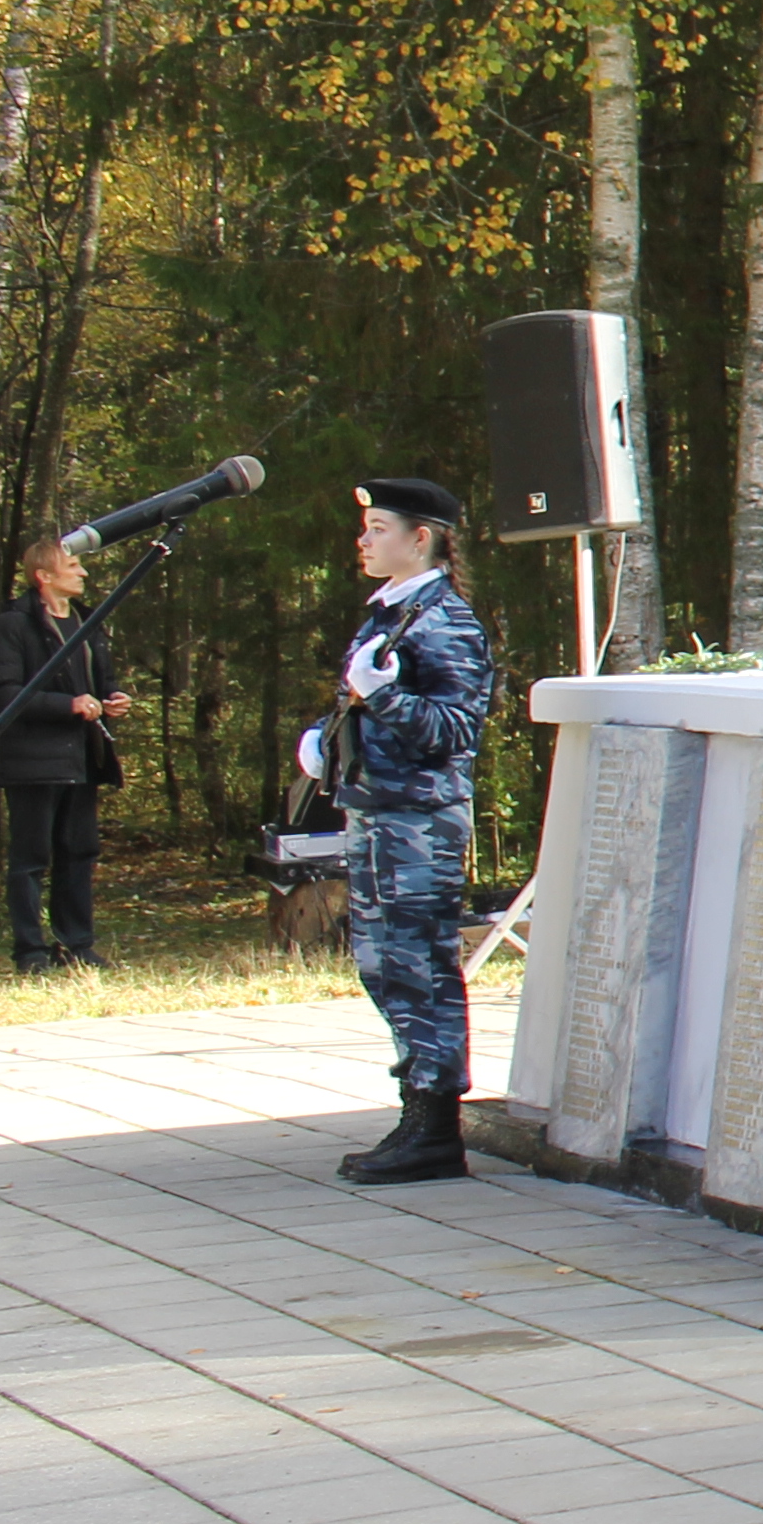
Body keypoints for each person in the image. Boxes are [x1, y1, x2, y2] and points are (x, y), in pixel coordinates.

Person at [316, 475, 494, 1185]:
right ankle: (416, 1107)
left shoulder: (444, 620)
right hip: (380, 810)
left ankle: (434, 1122)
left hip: (418, 819)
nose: (364, 539)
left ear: (422, 539)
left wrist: (383, 696)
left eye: (380, 528)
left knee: (419, 966)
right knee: (383, 963)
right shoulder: (391, 612)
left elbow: (455, 729)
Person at [0, 532, 127, 971]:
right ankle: (30, 952)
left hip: (82, 757)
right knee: (30, 859)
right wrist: (69, 705)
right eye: (73, 566)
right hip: (32, 761)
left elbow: (101, 680)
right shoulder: (12, 626)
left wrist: (111, 697)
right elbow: (4, 694)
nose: (83, 572)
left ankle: (76, 945)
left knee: (79, 851)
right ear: (44, 576)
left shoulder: (85, 621)